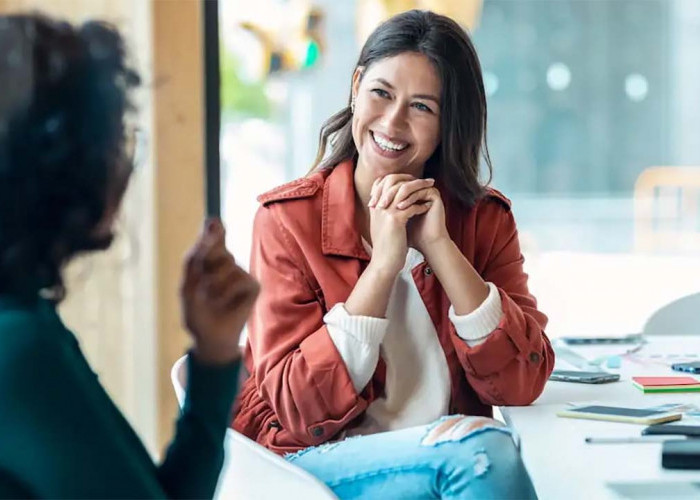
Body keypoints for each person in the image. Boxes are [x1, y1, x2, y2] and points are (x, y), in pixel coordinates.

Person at [233, 9, 553, 499]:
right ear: (356, 86)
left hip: (450, 454)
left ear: (450, 123)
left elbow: (520, 383)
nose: (393, 121)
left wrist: (440, 248)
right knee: (484, 456)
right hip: (314, 465)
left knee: (499, 456)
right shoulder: (286, 221)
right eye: (381, 93)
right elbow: (299, 410)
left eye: (422, 107)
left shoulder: (483, 221)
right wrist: (383, 266)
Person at [0, 14, 258, 498]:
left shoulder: (24, 322)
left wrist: (215, 354)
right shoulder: (20, 347)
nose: (124, 167)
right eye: (119, 143)